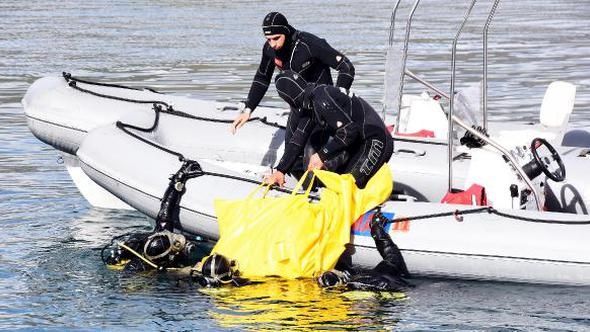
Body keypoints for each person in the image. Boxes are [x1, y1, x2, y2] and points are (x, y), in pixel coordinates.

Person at [230, 11, 355, 139]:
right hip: (298, 109)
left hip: (322, 108)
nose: (272, 44)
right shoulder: (269, 49)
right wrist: (248, 110)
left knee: (311, 153)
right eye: (268, 39)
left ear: (286, 32)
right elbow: (262, 78)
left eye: (276, 38)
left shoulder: (309, 44)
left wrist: (335, 101)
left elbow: (346, 68)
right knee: (291, 152)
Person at [264, 70, 394, 189]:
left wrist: (321, 155)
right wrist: (281, 170)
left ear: (290, 98)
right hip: (359, 144)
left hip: (376, 140)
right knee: (334, 185)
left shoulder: (322, 97)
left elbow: (348, 132)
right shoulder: (311, 101)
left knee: (347, 188)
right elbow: (297, 140)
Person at [317, 210, 412, 292]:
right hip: (403, 293)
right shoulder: (360, 283)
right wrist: (378, 232)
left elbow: (393, 261)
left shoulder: (363, 278)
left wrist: (377, 232)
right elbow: (393, 261)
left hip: (399, 288)